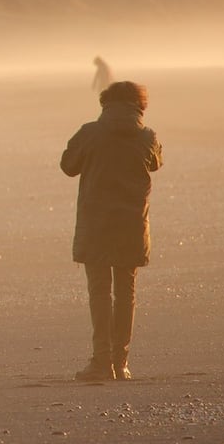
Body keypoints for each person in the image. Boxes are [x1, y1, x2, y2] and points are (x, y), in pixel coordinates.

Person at [60, 81, 162, 381]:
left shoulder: (90, 133)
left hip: (96, 225)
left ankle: (101, 361)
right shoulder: (147, 136)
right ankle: (121, 363)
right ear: (139, 106)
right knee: (126, 293)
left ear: (105, 104)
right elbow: (157, 164)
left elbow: (68, 166)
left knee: (100, 292)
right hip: (132, 225)